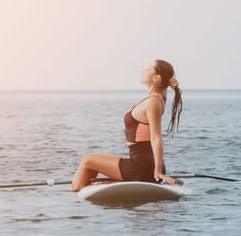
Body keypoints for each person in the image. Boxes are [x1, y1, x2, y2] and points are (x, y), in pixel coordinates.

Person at [71, 59, 183, 192]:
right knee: (92, 164)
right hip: (144, 163)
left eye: (148, 68)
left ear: (156, 78)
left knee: (87, 160)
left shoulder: (153, 102)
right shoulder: (158, 98)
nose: (144, 70)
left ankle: (74, 197)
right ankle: (83, 190)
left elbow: (156, 137)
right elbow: (165, 84)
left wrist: (158, 171)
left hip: (143, 166)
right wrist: (171, 81)